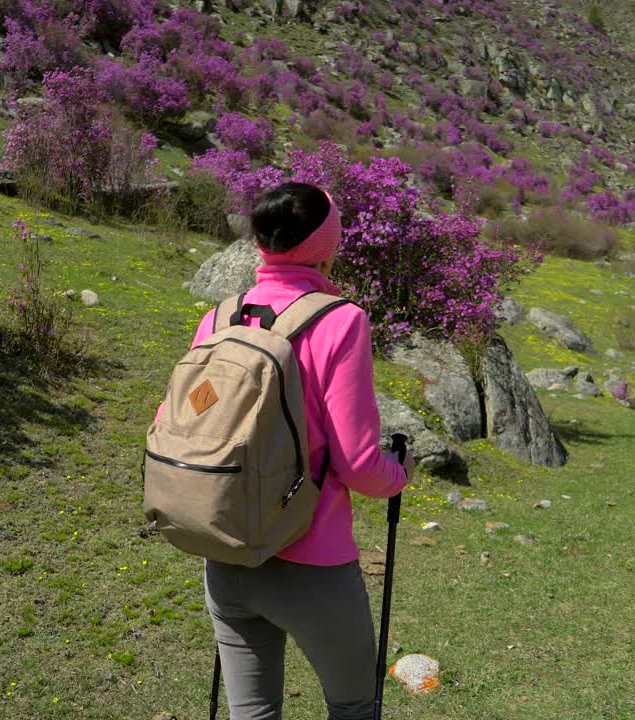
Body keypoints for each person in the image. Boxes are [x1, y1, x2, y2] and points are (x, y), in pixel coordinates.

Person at [186, 181, 413, 720]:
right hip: (314, 566)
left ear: (261, 243)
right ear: (324, 245)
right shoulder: (342, 321)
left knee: (253, 714)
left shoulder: (220, 317)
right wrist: (398, 474)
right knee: (355, 706)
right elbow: (358, 465)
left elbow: (186, 421)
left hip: (226, 553)